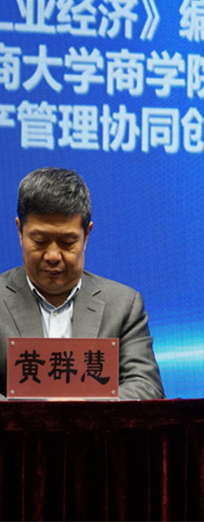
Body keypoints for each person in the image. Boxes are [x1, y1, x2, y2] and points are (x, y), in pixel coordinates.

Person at [0, 167, 164, 400]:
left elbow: (147, 388)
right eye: (40, 240)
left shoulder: (123, 305)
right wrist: (34, 412)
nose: (53, 255)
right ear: (19, 230)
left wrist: (85, 405)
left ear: (86, 235)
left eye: (67, 242)